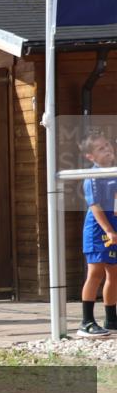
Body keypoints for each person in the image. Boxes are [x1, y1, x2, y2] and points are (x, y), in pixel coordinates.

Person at [75, 130, 117, 338]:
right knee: (96, 273)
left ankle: (111, 319)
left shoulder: (114, 172)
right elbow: (95, 205)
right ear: (90, 156)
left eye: (107, 145)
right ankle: (86, 322)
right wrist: (108, 230)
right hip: (98, 230)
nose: (107, 149)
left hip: (114, 228)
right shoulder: (93, 176)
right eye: (101, 148)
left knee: (114, 273)